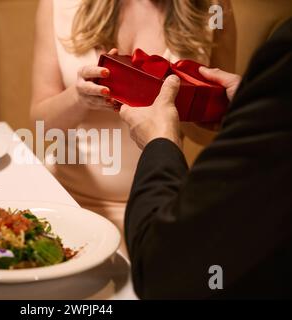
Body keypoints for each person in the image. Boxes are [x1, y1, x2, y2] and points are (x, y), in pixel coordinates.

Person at [119, 18, 292, 299]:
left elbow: (161, 270)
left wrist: (160, 141)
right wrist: (245, 110)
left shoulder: (218, 11)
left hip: (157, 210)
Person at [30, 0, 235, 233]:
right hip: (67, 198)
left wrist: (185, 108)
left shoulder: (214, 9)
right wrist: (79, 97)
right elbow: (40, 126)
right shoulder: (58, 5)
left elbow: (212, 134)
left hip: (158, 206)